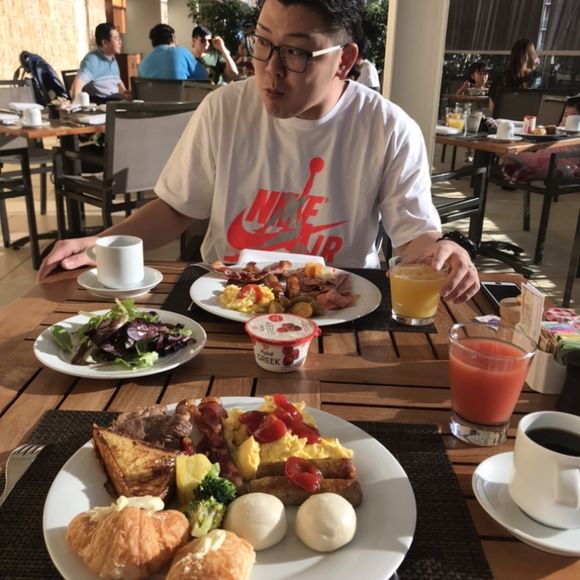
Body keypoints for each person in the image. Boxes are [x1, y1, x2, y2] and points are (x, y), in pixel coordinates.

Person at [39, 0, 479, 304]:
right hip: (225, 300)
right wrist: (100, 244)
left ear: (344, 61)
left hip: (338, 309)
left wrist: (444, 252)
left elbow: (414, 237)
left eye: (296, 53)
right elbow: (176, 208)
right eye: (263, 43)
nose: (270, 69)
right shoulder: (225, 108)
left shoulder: (388, 129)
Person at [70, 23, 131, 102]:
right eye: (116, 39)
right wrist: (76, 105)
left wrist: (126, 93)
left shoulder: (112, 58)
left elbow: (118, 83)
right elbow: (75, 88)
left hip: (116, 101)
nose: (120, 42)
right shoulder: (92, 60)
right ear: (104, 43)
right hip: (103, 103)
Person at [138, 24, 209, 81]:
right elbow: (203, 76)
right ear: (172, 38)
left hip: (153, 95)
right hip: (180, 95)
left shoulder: (143, 63)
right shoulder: (182, 52)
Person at [489, 38, 541, 113]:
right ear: (531, 56)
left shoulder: (500, 79)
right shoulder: (537, 79)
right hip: (530, 120)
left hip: (503, 120)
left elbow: (492, 110)